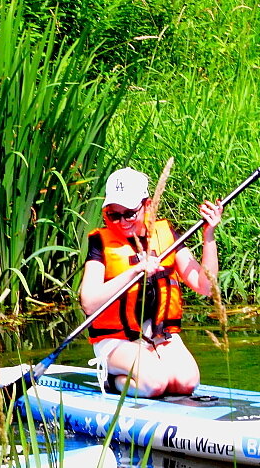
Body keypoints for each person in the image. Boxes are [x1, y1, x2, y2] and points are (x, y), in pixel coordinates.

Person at [79, 167, 223, 398]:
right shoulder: (100, 244)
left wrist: (209, 236)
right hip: (116, 339)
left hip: (156, 333)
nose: (122, 221)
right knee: (154, 384)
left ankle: (150, 364)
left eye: (129, 213)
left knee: (187, 383)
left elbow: (204, 287)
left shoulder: (166, 235)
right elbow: (88, 302)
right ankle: (114, 381)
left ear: (146, 205)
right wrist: (134, 271)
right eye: (114, 214)